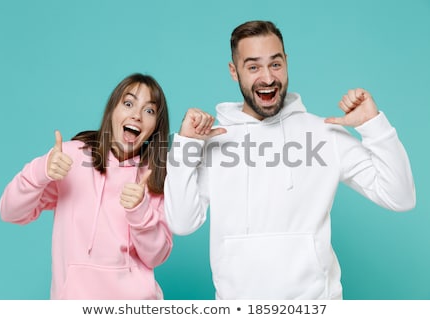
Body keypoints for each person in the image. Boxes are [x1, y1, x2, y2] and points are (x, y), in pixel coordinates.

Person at [164, 20, 416, 299]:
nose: (268, 77)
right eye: (253, 67)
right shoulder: (214, 142)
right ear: (234, 72)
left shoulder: (324, 133)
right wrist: (186, 145)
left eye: (275, 64)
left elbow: (400, 197)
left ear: (286, 61)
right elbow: (182, 222)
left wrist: (373, 124)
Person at [0, 73, 173, 299]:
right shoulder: (71, 156)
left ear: (155, 127)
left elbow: (156, 256)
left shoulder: (153, 177)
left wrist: (139, 210)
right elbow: (10, 212)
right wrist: (40, 171)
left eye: (149, 110)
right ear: (112, 111)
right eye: (128, 103)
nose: (137, 115)